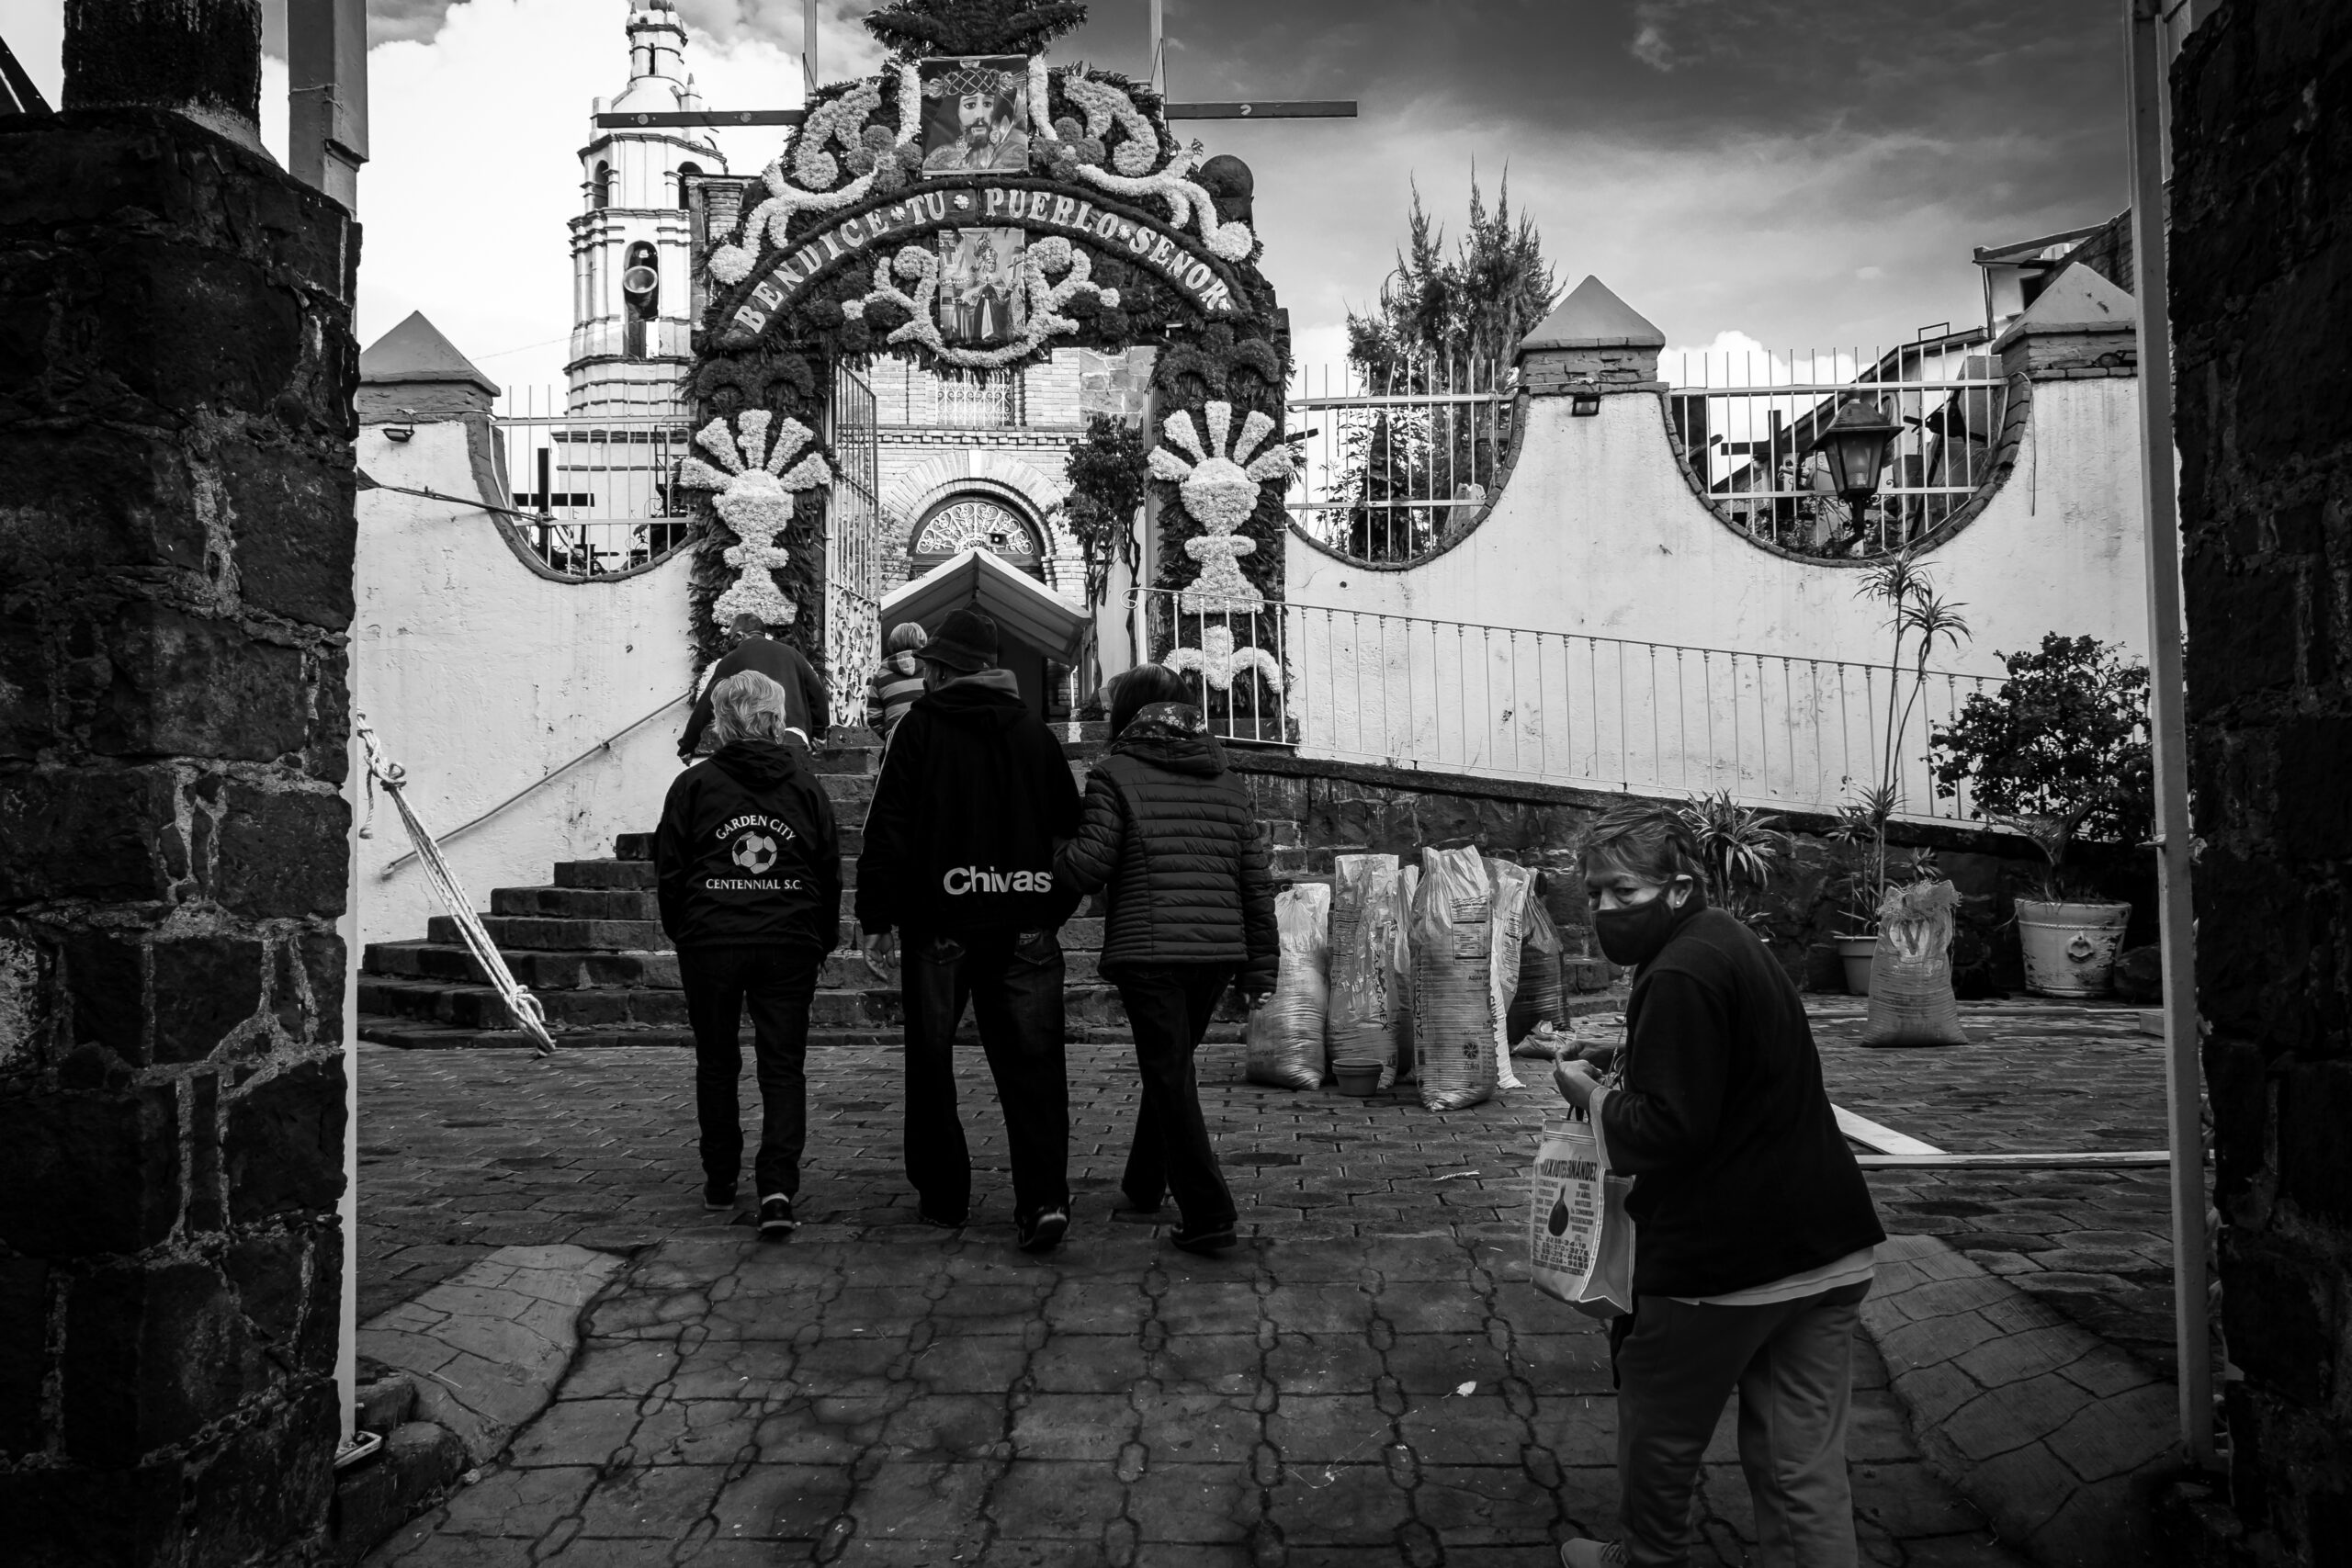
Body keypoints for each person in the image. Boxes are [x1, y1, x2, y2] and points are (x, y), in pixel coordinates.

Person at [1550, 803, 1886, 1568]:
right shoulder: (1726, 939)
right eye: (1596, 892)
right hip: (1828, 1253)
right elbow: (1723, 1057)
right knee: (1800, 1465)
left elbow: (1669, 1128)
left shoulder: (1676, 972)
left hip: (1723, 1270)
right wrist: (1631, 1046)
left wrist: (1587, 1092)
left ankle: (1645, 1558)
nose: (1605, 909)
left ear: (1679, 887)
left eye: (1625, 892)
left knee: (1660, 1433)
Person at [854, 607, 1082, 1252]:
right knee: (1036, 1066)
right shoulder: (1034, 733)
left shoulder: (918, 730)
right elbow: (1073, 833)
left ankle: (944, 1195)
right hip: (1024, 919)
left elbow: (887, 825)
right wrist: (1050, 906)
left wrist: (876, 916)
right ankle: (1043, 1198)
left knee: (931, 1064)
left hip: (940, 921)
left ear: (940, 669)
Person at [1055, 665, 1276, 1256]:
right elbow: (1255, 883)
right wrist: (1259, 966)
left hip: (1149, 952)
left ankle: (1208, 1212)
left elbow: (1087, 867)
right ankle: (1145, 1181)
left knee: (1170, 1075)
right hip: (1217, 954)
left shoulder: (1114, 773)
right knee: (1170, 1068)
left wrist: (1048, 850)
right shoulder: (1227, 780)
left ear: (1127, 713)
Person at [654, 671, 842, 1239]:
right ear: (775, 720)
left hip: (711, 938)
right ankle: (778, 1188)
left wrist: (684, 930)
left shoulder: (693, 785)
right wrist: (821, 937)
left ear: (721, 722)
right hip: (787, 938)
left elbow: (671, 868)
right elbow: (827, 869)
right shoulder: (804, 787)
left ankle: (719, 1178)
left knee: (716, 1061)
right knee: (783, 1066)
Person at [680, 613, 831, 761]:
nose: (729, 643)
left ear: (740, 636)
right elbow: (816, 692)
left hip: (754, 742)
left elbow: (707, 704)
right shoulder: (793, 654)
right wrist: (819, 733)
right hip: (794, 738)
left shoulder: (732, 659)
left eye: (730, 637)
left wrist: (687, 745)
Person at [865, 621, 931, 747]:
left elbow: (873, 716)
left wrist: (890, 733)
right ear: (921, 642)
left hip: (897, 743)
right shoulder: (930, 670)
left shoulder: (881, 675)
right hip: (929, 737)